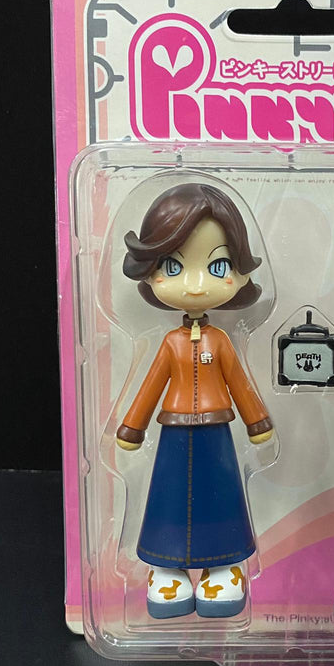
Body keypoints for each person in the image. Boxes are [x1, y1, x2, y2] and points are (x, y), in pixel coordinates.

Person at [116, 183, 273, 619]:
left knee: (222, 497)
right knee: (168, 497)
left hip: (218, 434)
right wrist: (132, 427)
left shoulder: (220, 340)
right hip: (172, 435)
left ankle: (224, 564)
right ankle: (167, 567)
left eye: (218, 265)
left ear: (241, 272)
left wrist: (258, 422)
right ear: (150, 270)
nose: (197, 286)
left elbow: (240, 383)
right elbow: (150, 387)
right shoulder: (171, 342)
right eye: (174, 266)